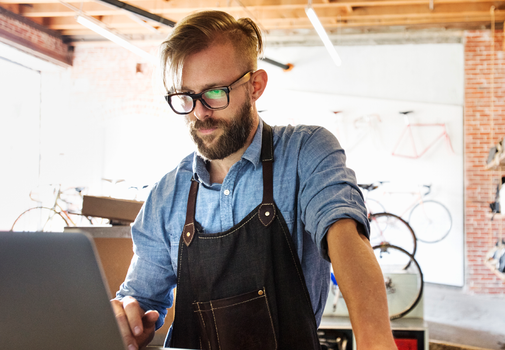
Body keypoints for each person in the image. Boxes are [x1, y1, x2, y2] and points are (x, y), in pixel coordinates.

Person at [110, 10, 397, 350]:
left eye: (215, 93)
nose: (200, 112)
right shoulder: (166, 195)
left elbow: (346, 237)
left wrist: (374, 339)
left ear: (255, 85)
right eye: (186, 97)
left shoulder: (305, 152)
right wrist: (129, 321)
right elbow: (139, 298)